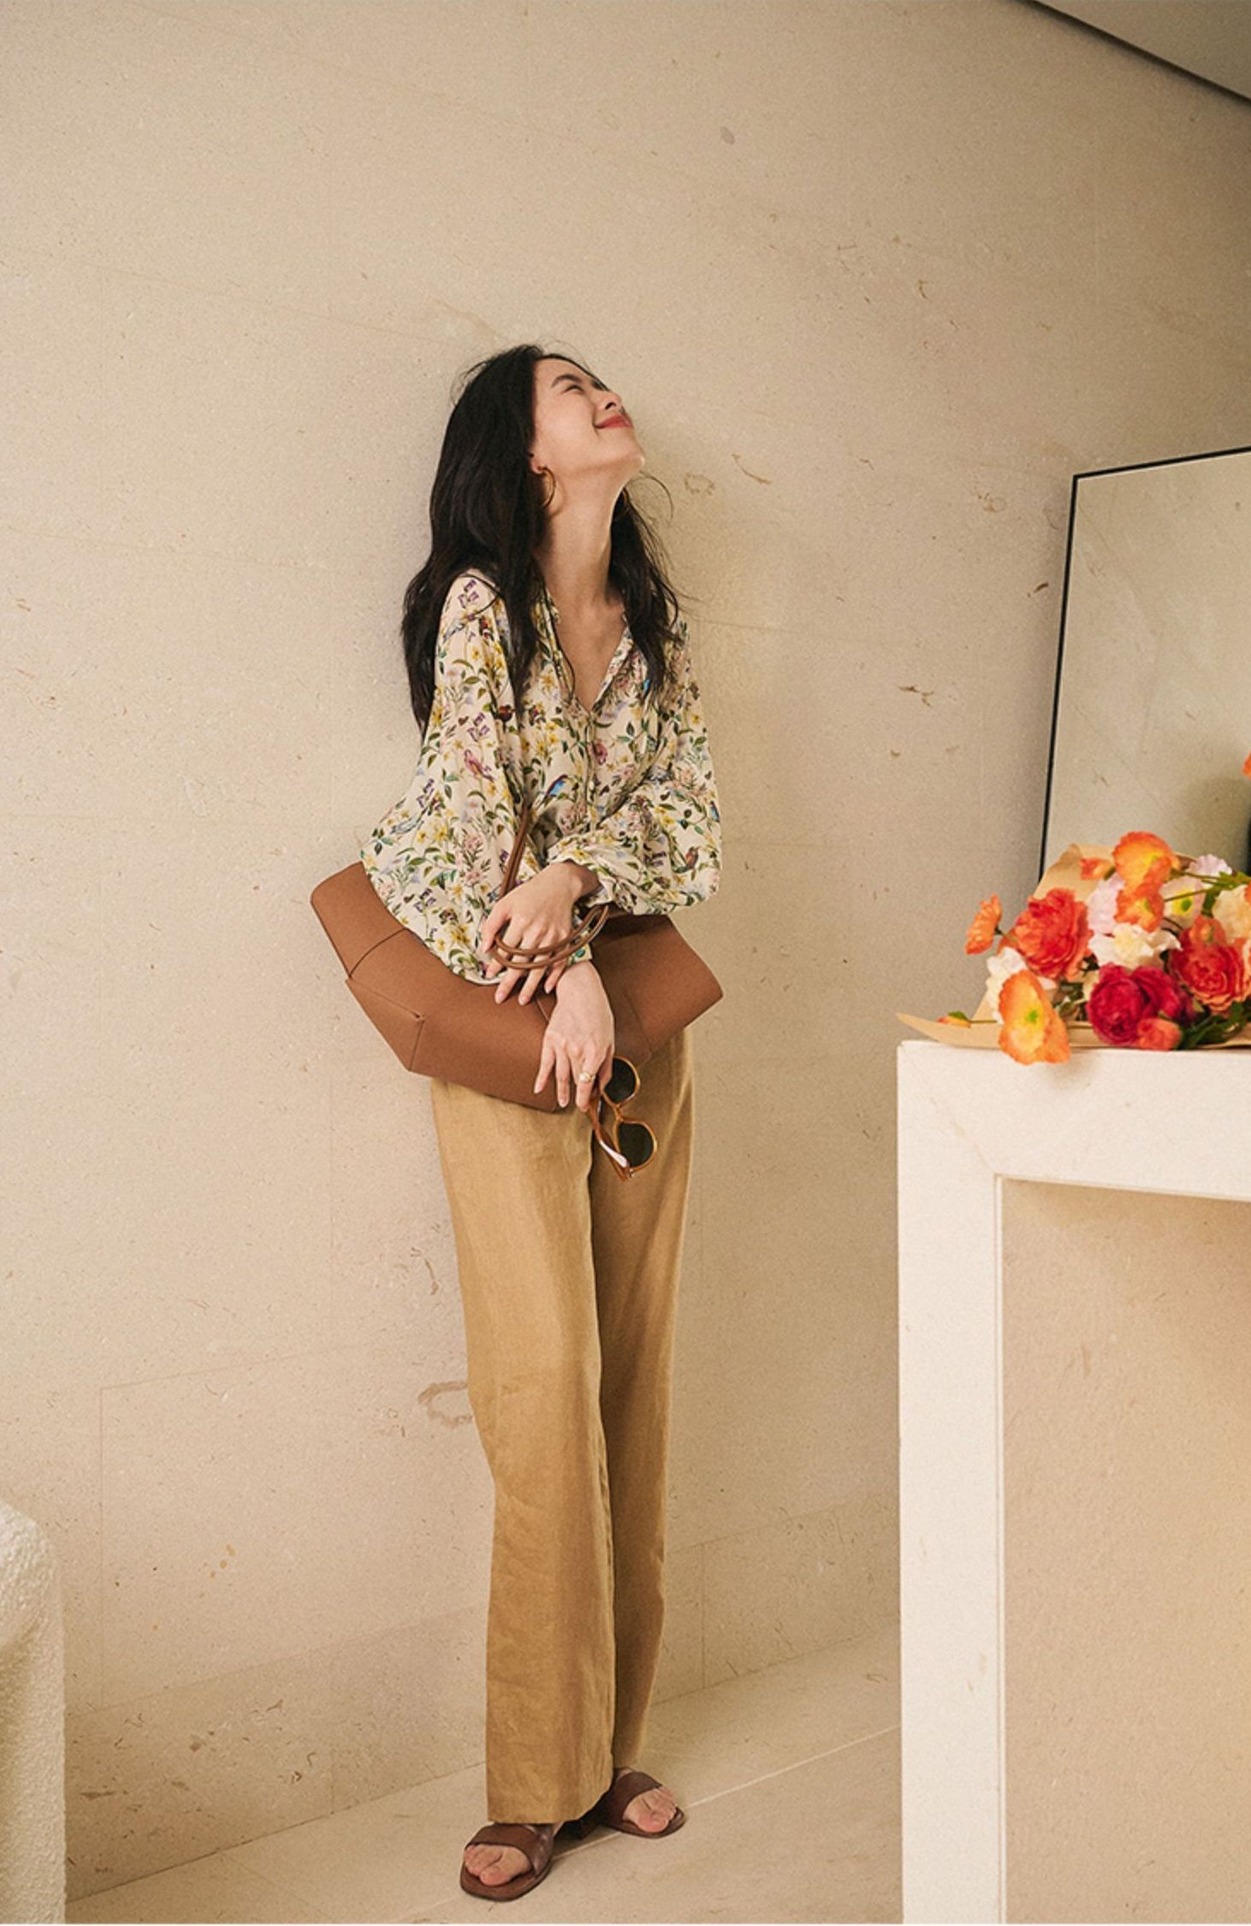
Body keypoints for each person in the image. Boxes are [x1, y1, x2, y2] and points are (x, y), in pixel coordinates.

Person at [359, 345, 723, 1902]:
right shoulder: (478, 609)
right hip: (519, 1030)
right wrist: (563, 957)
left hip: (635, 1033)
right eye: (569, 389)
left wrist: (578, 884)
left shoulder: (649, 626)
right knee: (544, 1386)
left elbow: (695, 821)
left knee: (632, 1385)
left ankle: (609, 1745)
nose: (603, 396)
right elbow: (469, 821)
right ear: (525, 453)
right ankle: (533, 1778)